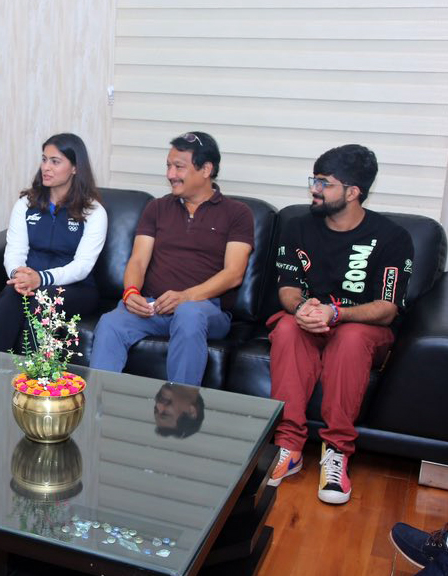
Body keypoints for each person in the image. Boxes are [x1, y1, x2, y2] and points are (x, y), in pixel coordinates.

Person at [266, 144, 414, 506]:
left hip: (360, 327)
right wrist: (302, 309)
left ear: (352, 192)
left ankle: (336, 452)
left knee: (350, 338)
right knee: (287, 328)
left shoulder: (393, 238)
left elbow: (387, 307)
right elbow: (287, 289)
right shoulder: (297, 226)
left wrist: (338, 314)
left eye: (324, 183)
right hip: (310, 320)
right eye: (314, 180)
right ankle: (289, 447)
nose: (314, 189)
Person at [89, 132, 254, 385]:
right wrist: (131, 292)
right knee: (111, 322)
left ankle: (179, 410)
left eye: (179, 167)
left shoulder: (237, 213)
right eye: (168, 165)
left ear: (206, 169)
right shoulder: (157, 208)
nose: (170, 174)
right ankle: (98, 412)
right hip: (154, 307)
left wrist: (186, 296)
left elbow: (234, 274)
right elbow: (137, 261)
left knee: (188, 313)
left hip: (205, 309)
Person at [0, 133, 107, 352]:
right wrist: (19, 276)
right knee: (10, 295)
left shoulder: (93, 212)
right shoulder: (25, 204)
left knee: (42, 301)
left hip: (75, 288)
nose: (46, 167)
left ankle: (31, 379)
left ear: (75, 168)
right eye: (44, 159)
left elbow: (82, 267)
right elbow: (14, 251)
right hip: (30, 282)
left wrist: (41, 279)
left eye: (55, 161)